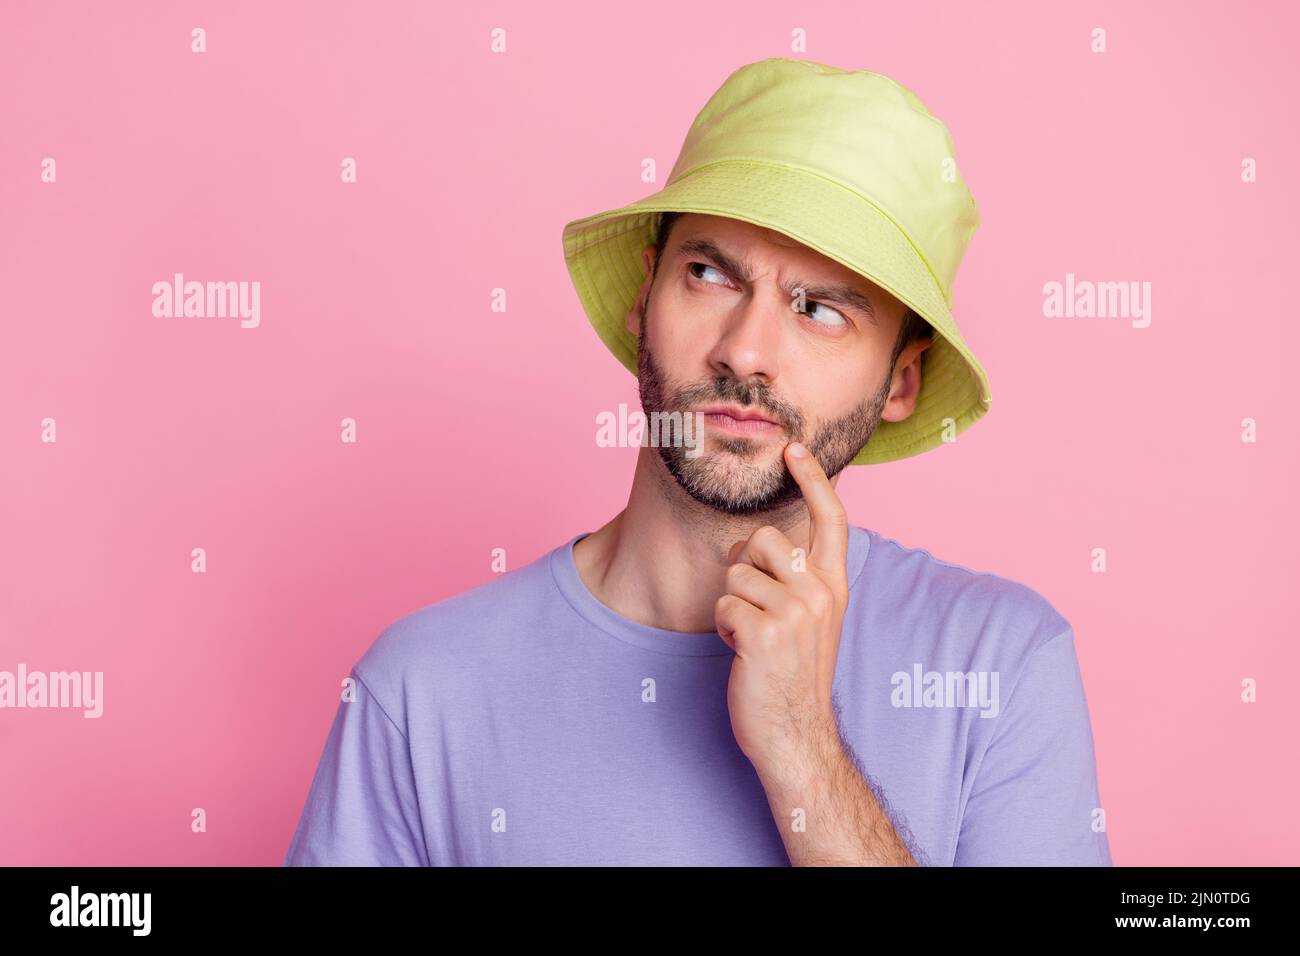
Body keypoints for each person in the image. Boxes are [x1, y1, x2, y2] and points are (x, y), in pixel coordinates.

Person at [284, 57, 1112, 866]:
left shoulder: (998, 665)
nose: (745, 352)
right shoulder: (421, 691)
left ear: (901, 381)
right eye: (711, 273)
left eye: (819, 310)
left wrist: (803, 749)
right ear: (648, 295)